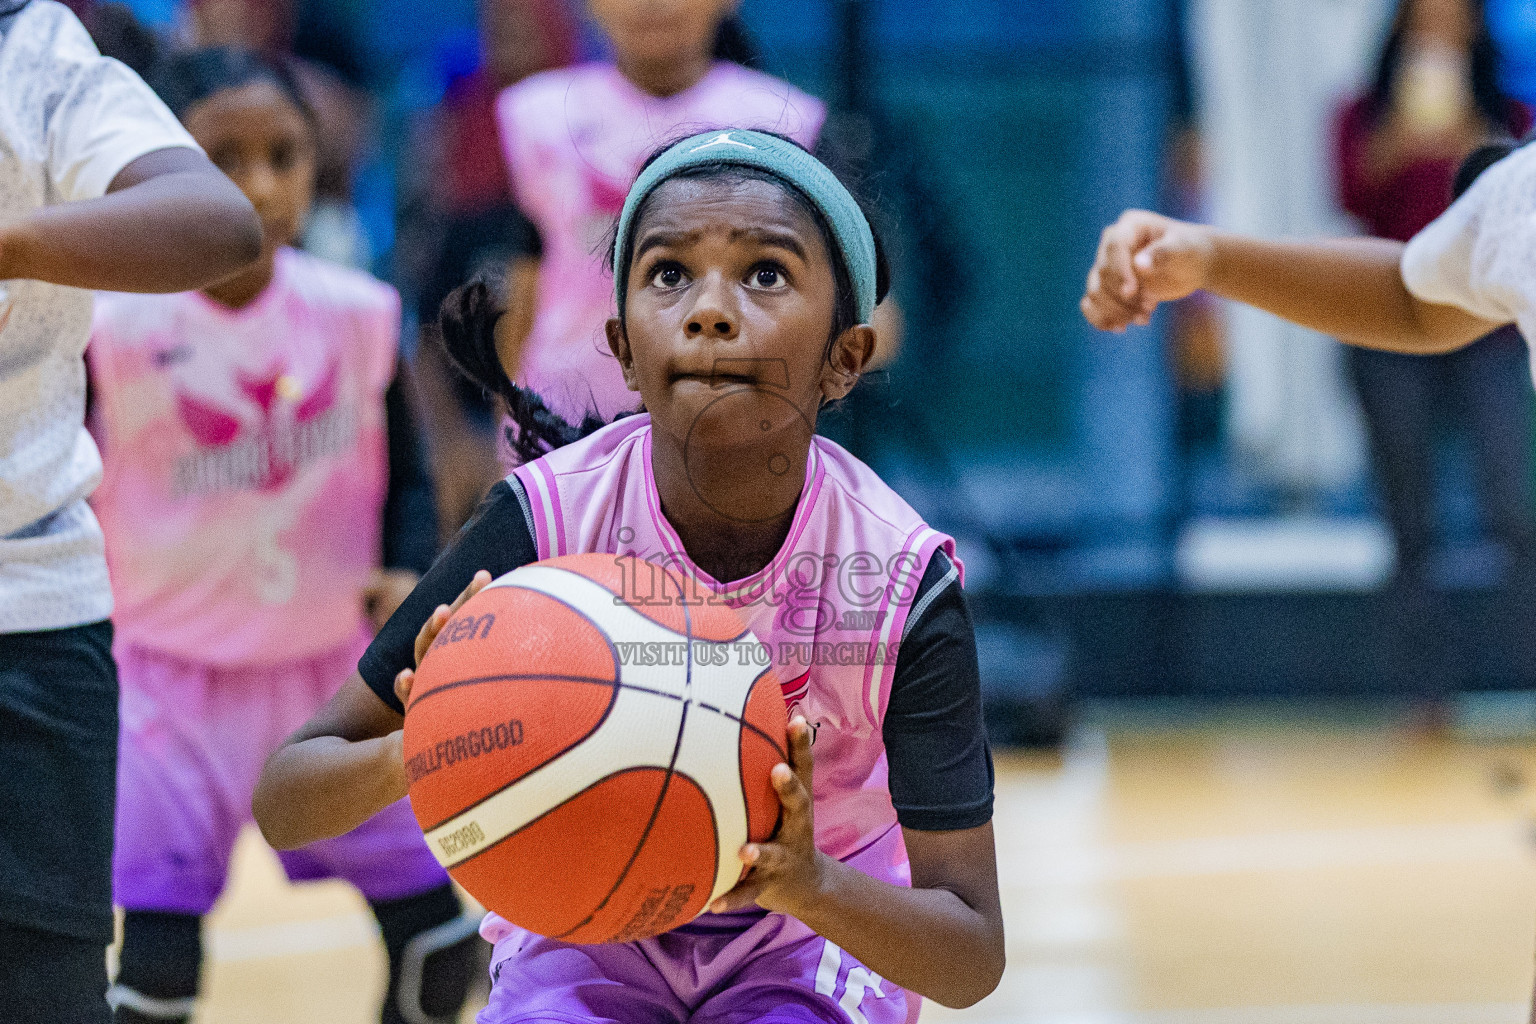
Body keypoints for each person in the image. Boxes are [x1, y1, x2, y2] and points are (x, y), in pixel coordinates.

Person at [253, 130, 1006, 1022]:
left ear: (846, 356)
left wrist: (809, 886)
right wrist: (422, 747)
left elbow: (971, 954)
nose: (710, 310)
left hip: (815, 939)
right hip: (585, 923)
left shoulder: (897, 579)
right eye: (668, 275)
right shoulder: (544, 520)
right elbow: (286, 797)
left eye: (765, 273)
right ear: (622, 347)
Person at [85, 47, 474, 1024]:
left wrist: (405, 570)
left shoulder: (358, 315)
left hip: (334, 679)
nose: (258, 187)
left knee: (440, 948)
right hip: (169, 687)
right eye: (222, 159)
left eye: (283, 156)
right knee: (159, 972)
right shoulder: (111, 330)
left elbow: (408, 472)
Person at [0, 2, 261, 1020]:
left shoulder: (31, 50)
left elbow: (216, 220)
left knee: (44, 995)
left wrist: (12, 240)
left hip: (26, 618)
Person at [487, 0, 825, 434]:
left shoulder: (785, 124)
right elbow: (527, 278)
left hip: (728, 423)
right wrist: (509, 417)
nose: (652, 4)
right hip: (561, 422)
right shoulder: (538, 117)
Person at [1334, 0, 1533, 581]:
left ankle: (1520, 654)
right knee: (1407, 522)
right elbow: (1351, 195)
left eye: (1453, 16)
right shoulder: (1362, 114)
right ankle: (1414, 669)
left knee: (1513, 509)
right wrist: (1396, 140)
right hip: (1393, 319)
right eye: (1425, 17)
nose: (1439, 31)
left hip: (1492, 331)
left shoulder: (1510, 121)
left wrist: (1477, 140)